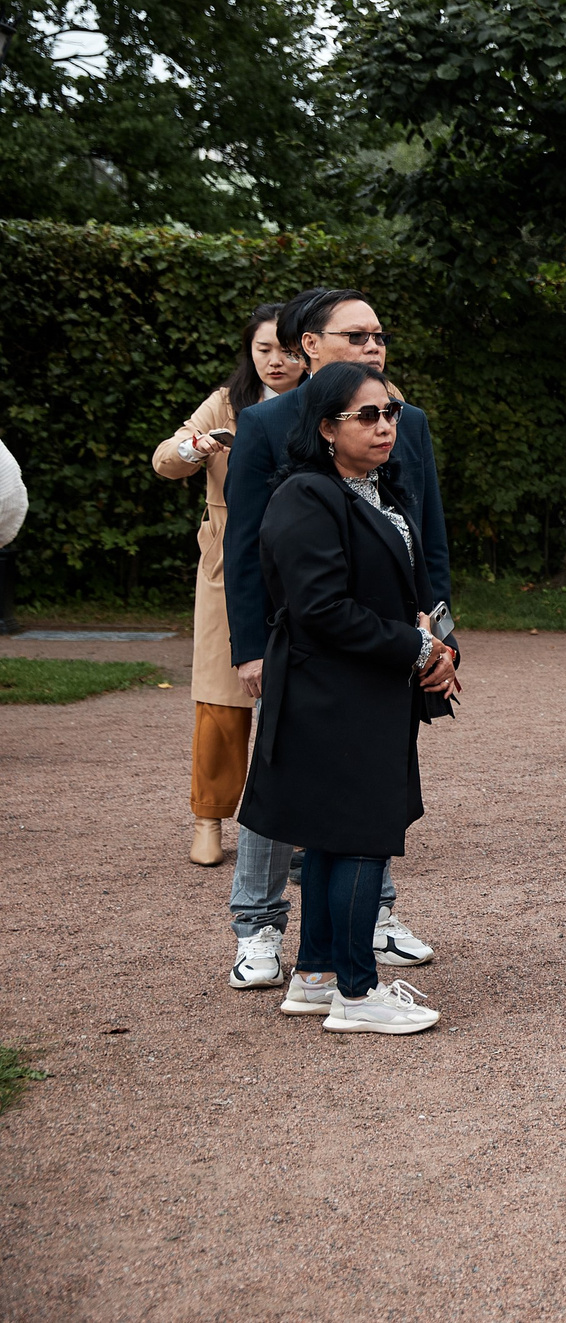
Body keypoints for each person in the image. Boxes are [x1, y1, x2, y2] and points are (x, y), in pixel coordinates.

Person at [220, 288, 446, 991]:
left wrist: (439, 637)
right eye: (355, 335)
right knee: (293, 792)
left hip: (386, 653)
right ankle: (261, 926)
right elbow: (253, 548)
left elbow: (424, 540)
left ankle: (352, 934)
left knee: (364, 804)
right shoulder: (270, 433)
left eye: (379, 333)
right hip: (317, 659)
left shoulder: (401, 427)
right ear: (309, 345)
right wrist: (251, 646)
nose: (372, 346)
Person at [154, 301, 303, 866]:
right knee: (220, 695)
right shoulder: (226, 401)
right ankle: (209, 819)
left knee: (305, 695)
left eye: (286, 350)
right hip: (226, 559)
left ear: (308, 348)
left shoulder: (327, 399)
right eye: (263, 349)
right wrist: (197, 447)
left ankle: (299, 822)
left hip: (304, 557)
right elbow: (166, 460)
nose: (274, 361)